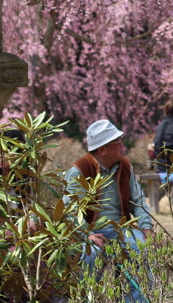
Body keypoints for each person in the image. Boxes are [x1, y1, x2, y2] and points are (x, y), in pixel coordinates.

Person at [65, 119, 153, 288]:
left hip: (122, 230)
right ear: (103, 149)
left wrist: (146, 227)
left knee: (141, 248)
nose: (123, 145)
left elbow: (139, 201)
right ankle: (88, 297)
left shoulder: (125, 166)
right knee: (91, 253)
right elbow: (70, 211)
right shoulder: (79, 170)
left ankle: (134, 300)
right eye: (118, 142)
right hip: (91, 232)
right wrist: (87, 234)